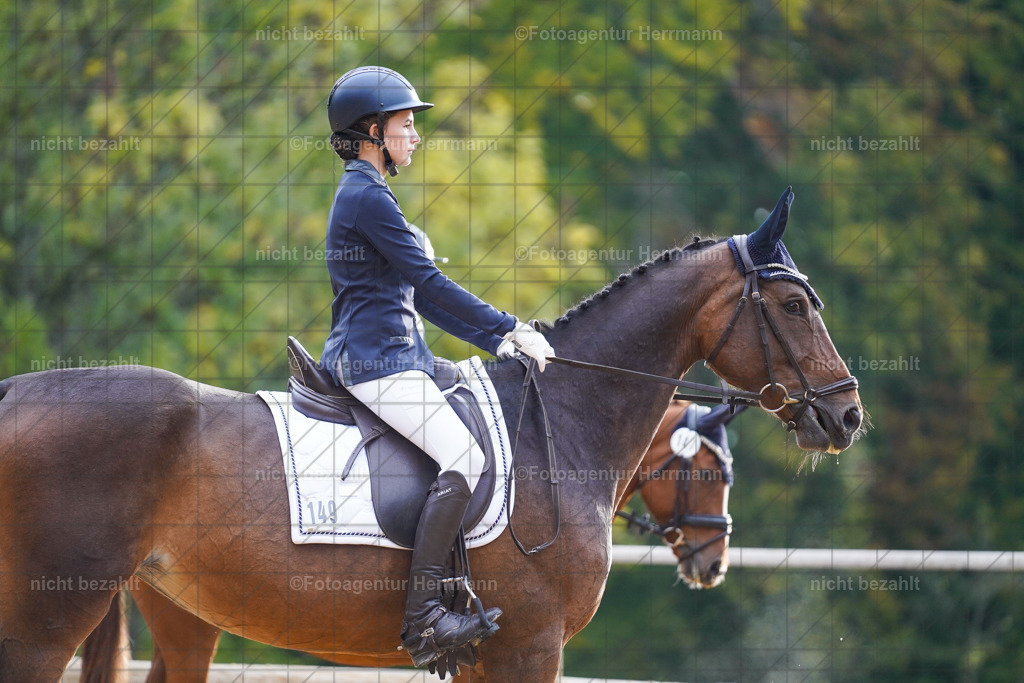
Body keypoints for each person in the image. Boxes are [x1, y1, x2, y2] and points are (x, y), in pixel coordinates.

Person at [321, 66, 555, 667]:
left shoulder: (371, 192)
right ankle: (423, 616)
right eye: (405, 124)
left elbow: (419, 297)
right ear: (372, 131)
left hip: (401, 354)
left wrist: (500, 343)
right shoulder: (366, 196)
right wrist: (508, 327)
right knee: (466, 456)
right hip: (374, 362)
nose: (415, 135)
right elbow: (428, 281)